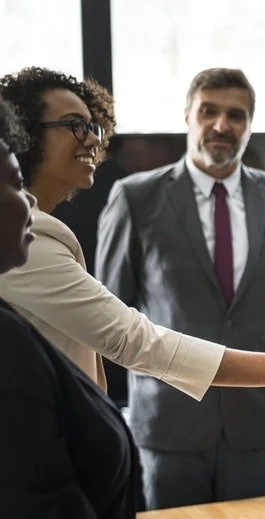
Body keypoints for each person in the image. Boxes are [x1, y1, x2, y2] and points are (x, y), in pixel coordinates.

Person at [0, 67, 265, 506]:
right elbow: (121, 325)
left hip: (255, 422)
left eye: (93, 126)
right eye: (75, 126)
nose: (94, 140)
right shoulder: (86, 218)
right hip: (162, 423)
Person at [94, 68, 265, 509]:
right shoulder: (136, 197)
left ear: (250, 124)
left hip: (258, 419)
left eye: (236, 115)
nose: (221, 125)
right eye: (208, 111)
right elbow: (109, 311)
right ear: (188, 116)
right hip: (170, 420)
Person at [0, 94, 138, 518]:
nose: (92, 141)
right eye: (10, 183)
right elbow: (136, 339)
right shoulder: (9, 345)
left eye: (93, 127)